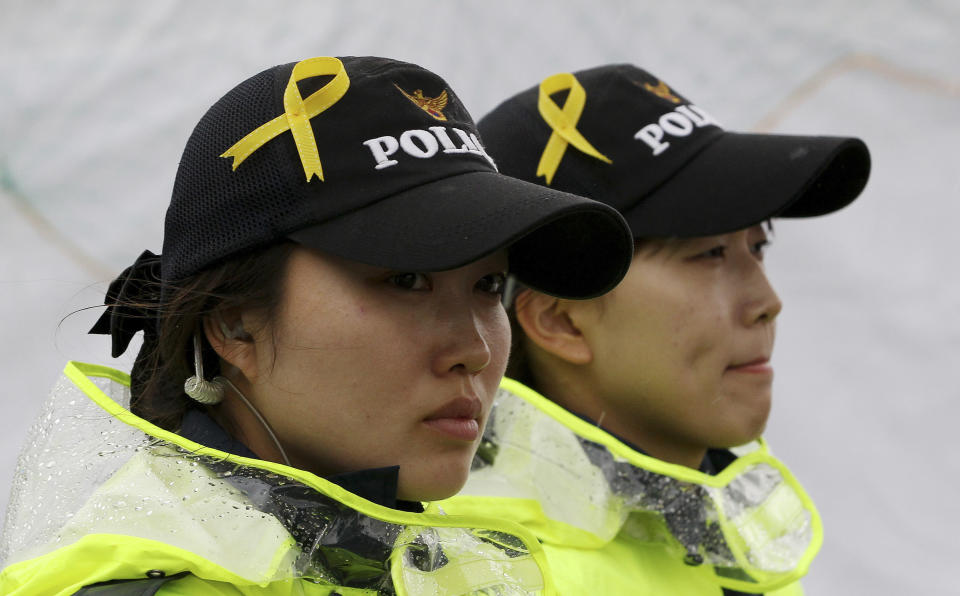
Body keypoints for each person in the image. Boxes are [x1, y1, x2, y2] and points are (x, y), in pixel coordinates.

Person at [0, 56, 635, 596]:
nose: (474, 349)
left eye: (489, 286)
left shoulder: (449, 566)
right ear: (235, 326)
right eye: (407, 280)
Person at [439, 64, 871, 595]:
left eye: (757, 248)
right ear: (560, 321)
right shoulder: (471, 573)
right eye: (708, 254)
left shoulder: (745, 555)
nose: (767, 302)